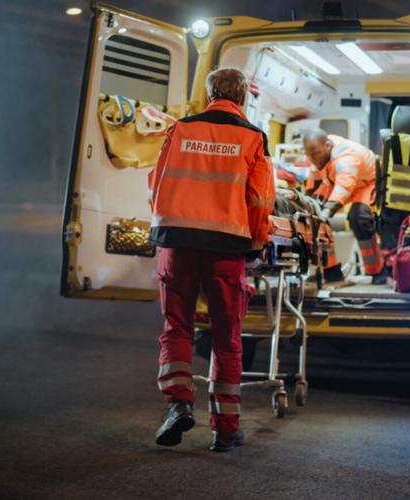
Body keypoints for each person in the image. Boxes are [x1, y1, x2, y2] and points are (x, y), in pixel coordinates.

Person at [147, 67, 275, 452]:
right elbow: (260, 201)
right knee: (226, 337)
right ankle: (224, 428)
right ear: (243, 98)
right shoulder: (252, 137)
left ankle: (179, 403)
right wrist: (255, 244)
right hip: (225, 246)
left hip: (176, 242)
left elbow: (155, 184)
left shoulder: (180, 129)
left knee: (177, 327)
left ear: (208, 95)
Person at [302, 128, 388, 285]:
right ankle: (330, 271)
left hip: (366, 183)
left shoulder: (347, 158)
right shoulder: (319, 151)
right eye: (309, 155)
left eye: (315, 154)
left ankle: (378, 271)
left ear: (328, 146)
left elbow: (344, 187)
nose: (313, 159)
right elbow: (313, 184)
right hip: (336, 182)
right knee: (314, 217)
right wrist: (307, 205)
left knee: (359, 218)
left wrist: (327, 211)